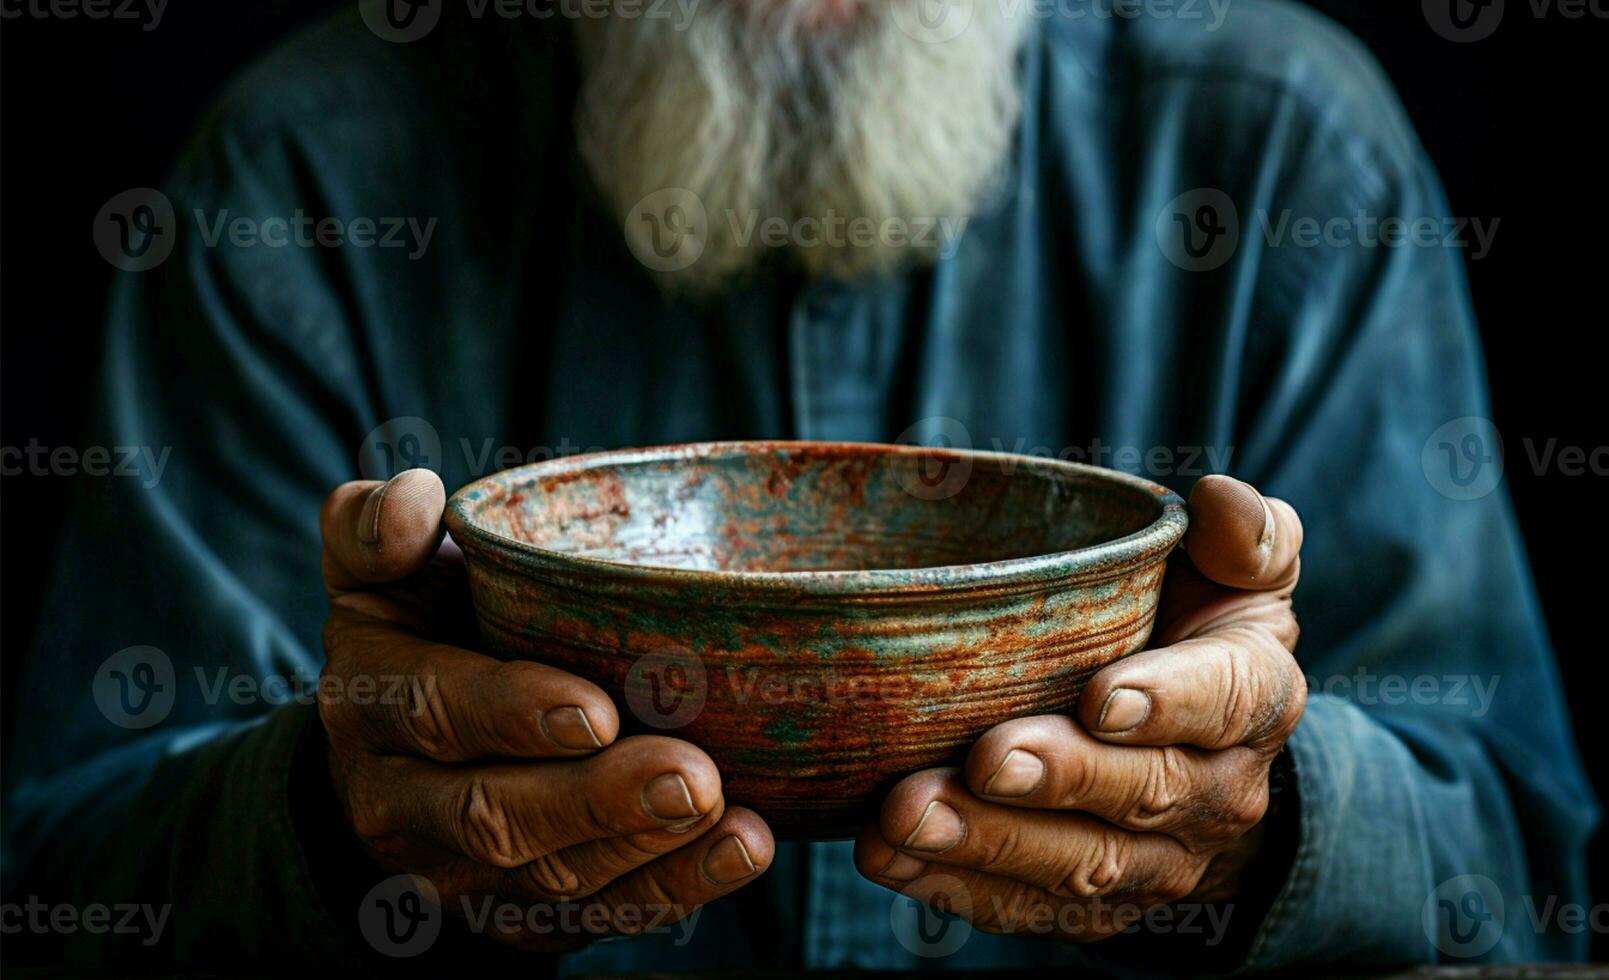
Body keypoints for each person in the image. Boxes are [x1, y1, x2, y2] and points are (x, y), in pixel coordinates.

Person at [3, 0, 1596, 973]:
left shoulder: (1282, 150)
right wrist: (341, 823)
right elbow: (69, 882)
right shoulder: (308, 172)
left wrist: (1261, 825)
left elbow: (1520, 867)